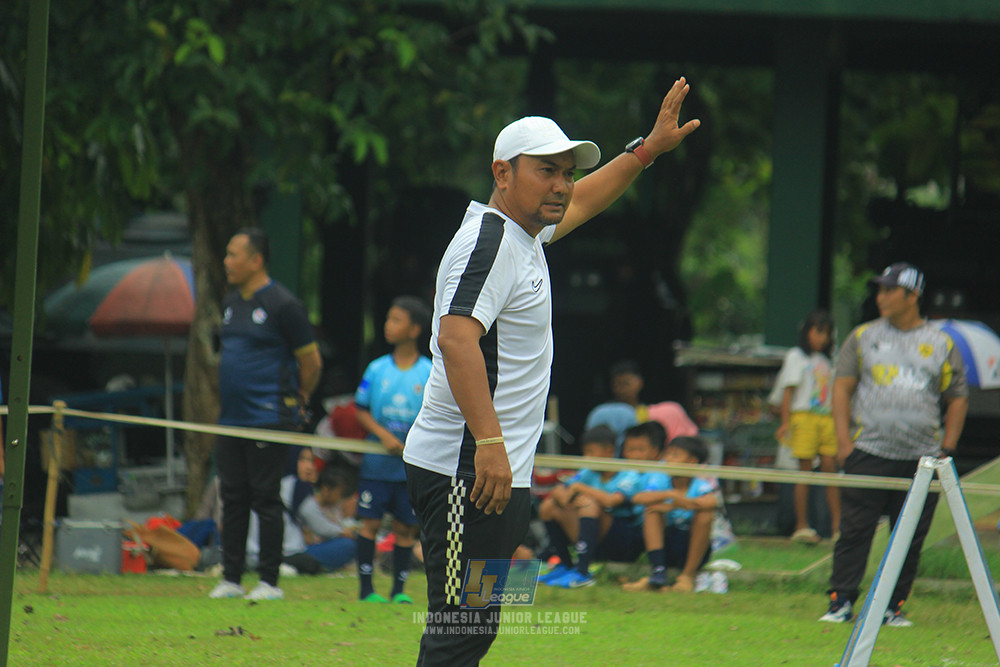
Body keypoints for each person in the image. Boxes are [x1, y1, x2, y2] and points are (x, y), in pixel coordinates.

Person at [402, 79, 700, 665]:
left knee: (473, 620)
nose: (562, 185)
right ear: (502, 173)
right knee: (462, 624)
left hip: (495, 469)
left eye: (566, 171)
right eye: (547, 170)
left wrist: (645, 152)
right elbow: (457, 340)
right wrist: (489, 444)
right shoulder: (487, 241)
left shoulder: (525, 234)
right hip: (466, 466)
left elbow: (587, 200)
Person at [820, 262, 968, 627]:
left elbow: (958, 397)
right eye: (879, 290)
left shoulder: (941, 343)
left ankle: (892, 607)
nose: (881, 297)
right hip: (868, 450)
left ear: (912, 295)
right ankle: (841, 602)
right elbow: (841, 388)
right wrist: (843, 442)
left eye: (889, 290)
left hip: (923, 458)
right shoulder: (862, 336)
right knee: (855, 530)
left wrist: (947, 447)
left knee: (910, 536)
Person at [209, 227, 322, 601]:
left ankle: (269, 582)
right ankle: (231, 578)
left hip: (268, 419)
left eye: (233, 255)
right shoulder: (228, 303)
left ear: (256, 260)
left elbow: (311, 361)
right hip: (231, 420)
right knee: (233, 496)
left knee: (265, 497)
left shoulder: (283, 304)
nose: (227, 262)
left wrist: (299, 395)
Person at [354, 296, 432, 603]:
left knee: (405, 527)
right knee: (369, 523)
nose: (388, 325)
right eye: (388, 319)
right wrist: (383, 436)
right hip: (376, 465)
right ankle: (366, 591)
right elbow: (360, 409)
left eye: (396, 320)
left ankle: (399, 591)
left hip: (409, 467)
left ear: (414, 330)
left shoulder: (429, 372)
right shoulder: (376, 369)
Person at [536, 423, 659, 588]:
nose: (587, 457)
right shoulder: (589, 472)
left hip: (623, 540)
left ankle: (583, 571)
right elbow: (561, 489)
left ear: (609, 451)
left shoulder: (628, 473)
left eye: (591, 452)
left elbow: (610, 501)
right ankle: (565, 565)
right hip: (595, 534)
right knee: (549, 506)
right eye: (586, 452)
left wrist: (580, 489)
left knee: (589, 503)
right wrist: (567, 499)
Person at [773, 309, 840, 544]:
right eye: (818, 332)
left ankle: (836, 526)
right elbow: (787, 392)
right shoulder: (796, 356)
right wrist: (785, 423)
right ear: (807, 332)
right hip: (804, 416)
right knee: (804, 471)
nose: (823, 338)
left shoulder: (828, 360)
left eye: (827, 334)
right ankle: (801, 525)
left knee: (830, 469)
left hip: (826, 417)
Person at [623, 435, 720, 592]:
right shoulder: (662, 480)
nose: (668, 459)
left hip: (690, 548)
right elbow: (639, 497)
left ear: (692, 461)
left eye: (675, 455)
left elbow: (712, 502)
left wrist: (675, 505)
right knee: (652, 510)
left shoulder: (700, 484)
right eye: (667, 454)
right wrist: (669, 495)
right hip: (666, 546)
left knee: (705, 515)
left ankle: (687, 576)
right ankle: (658, 573)